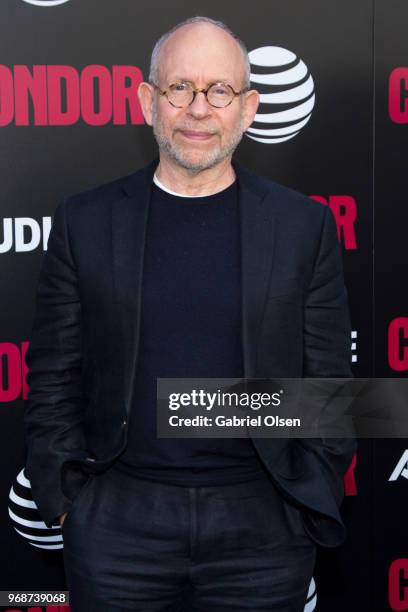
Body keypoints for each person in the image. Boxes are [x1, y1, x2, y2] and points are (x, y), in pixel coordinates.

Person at [24, 15, 356, 612]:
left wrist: (308, 493)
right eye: (180, 88)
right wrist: (71, 502)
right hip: (118, 521)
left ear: (249, 108)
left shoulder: (303, 227)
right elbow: (52, 374)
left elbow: (330, 383)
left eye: (220, 91)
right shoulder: (86, 221)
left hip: (263, 525)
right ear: (148, 101)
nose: (199, 109)